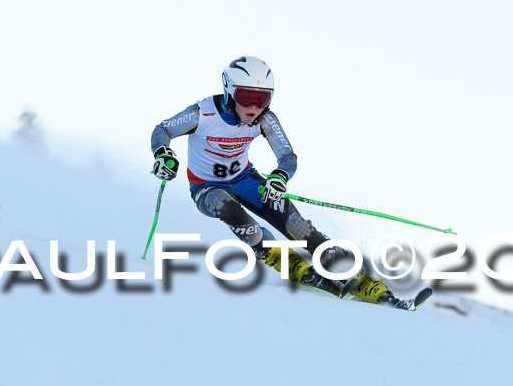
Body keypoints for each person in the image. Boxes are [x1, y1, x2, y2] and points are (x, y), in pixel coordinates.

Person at [151, 56, 388, 303]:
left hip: (244, 179)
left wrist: (280, 177)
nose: (254, 106)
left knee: (297, 226)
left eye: (262, 98)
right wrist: (162, 153)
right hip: (206, 186)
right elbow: (163, 129)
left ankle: (357, 278)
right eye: (246, 97)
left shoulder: (265, 119)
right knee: (230, 210)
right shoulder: (203, 114)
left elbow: (287, 155)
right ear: (230, 93)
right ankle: (288, 263)